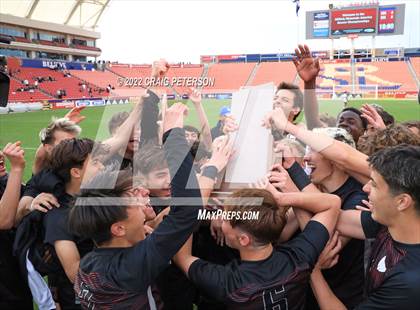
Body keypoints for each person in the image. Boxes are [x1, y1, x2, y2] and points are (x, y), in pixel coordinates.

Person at [68, 103, 203, 309]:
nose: (144, 195)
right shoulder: (133, 265)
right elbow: (186, 210)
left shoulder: (89, 264)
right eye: (133, 197)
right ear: (118, 228)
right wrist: (173, 135)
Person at [174, 184, 341, 309]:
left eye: (225, 218)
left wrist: (189, 210)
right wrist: (282, 199)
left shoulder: (226, 282)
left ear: (244, 240)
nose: (219, 219)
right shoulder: (299, 257)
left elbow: (182, 257)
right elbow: (332, 203)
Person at [311, 145, 420, 309]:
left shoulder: (409, 281)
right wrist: (290, 180)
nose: (365, 188)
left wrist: (313, 271)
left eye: (374, 185)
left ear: (402, 202)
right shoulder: (390, 222)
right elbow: (335, 217)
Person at [0, 142, 32, 309]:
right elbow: (4, 220)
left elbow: (34, 185)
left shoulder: (4, 181)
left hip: (15, 277)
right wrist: (17, 169)